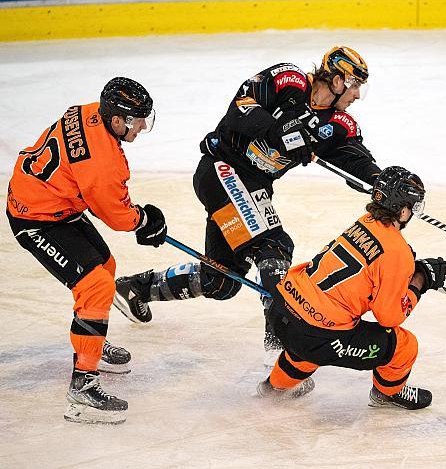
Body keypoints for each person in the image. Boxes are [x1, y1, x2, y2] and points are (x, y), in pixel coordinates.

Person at [113, 46, 381, 367]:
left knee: (222, 281)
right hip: (222, 171)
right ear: (337, 80)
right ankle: (281, 345)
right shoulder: (288, 80)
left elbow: (356, 158)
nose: (356, 95)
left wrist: (382, 181)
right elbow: (240, 109)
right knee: (274, 246)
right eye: (353, 86)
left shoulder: (338, 123)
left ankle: (136, 289)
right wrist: (280, 132)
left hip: (253, 188)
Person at [6, 77, 168, 424]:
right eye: (137, 120)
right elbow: (117, 216)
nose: (141, 126)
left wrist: (137, 219)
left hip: (53, 201)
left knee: (105, 266)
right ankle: (82, 388)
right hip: (35, 217)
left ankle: (91, 343)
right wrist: (144, 220)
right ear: (116, 120)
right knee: (95, 284)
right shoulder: (103, 162)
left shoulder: (88, 111)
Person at [257, 166, 446, 410]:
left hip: (282, 310)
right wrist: (419, 281)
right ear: (402, 210)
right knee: (403, 345)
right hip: (315, 335)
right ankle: (387, 394)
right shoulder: (396, 252)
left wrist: (402, 269)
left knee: (305, 344)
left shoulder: (364, 222)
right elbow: (390, 316)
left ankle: (274, 388)